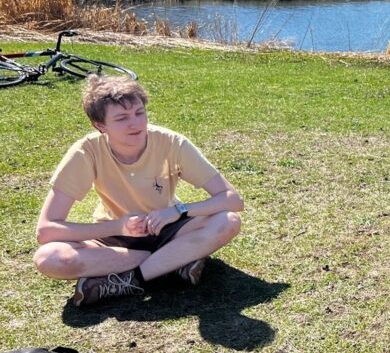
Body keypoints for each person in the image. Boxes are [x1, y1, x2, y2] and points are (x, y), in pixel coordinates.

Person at [33, 75, 243, 306]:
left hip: (168, 227)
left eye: (139, 113)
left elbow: (232, 199)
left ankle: (129, 280)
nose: (136, 124)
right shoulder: (87, 151)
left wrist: (178, 211)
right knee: (48, 258)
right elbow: (46, 230)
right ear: (100, 125)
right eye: (122, 118)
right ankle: (172, 262)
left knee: (228, 221)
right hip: (113, 239)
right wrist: (118, 226)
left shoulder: (172, 143)